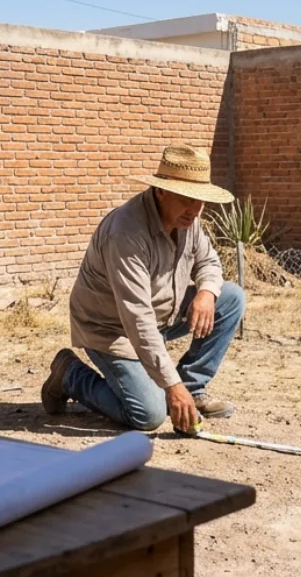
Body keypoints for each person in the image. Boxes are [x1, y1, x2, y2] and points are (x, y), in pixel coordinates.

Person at [41, 143, 245, 434]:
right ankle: (70, 375)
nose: (196, 209)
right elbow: (137, 319)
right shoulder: (126, 233)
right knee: (149, 414)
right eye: (188, 199)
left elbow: (209, 261)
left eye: (200, 200)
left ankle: (192, 389)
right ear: (161, 191)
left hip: (161, 317)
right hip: (111, 329)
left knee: (230, 297)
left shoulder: (189, 220)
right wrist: (169, 386)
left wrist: (205, 292)